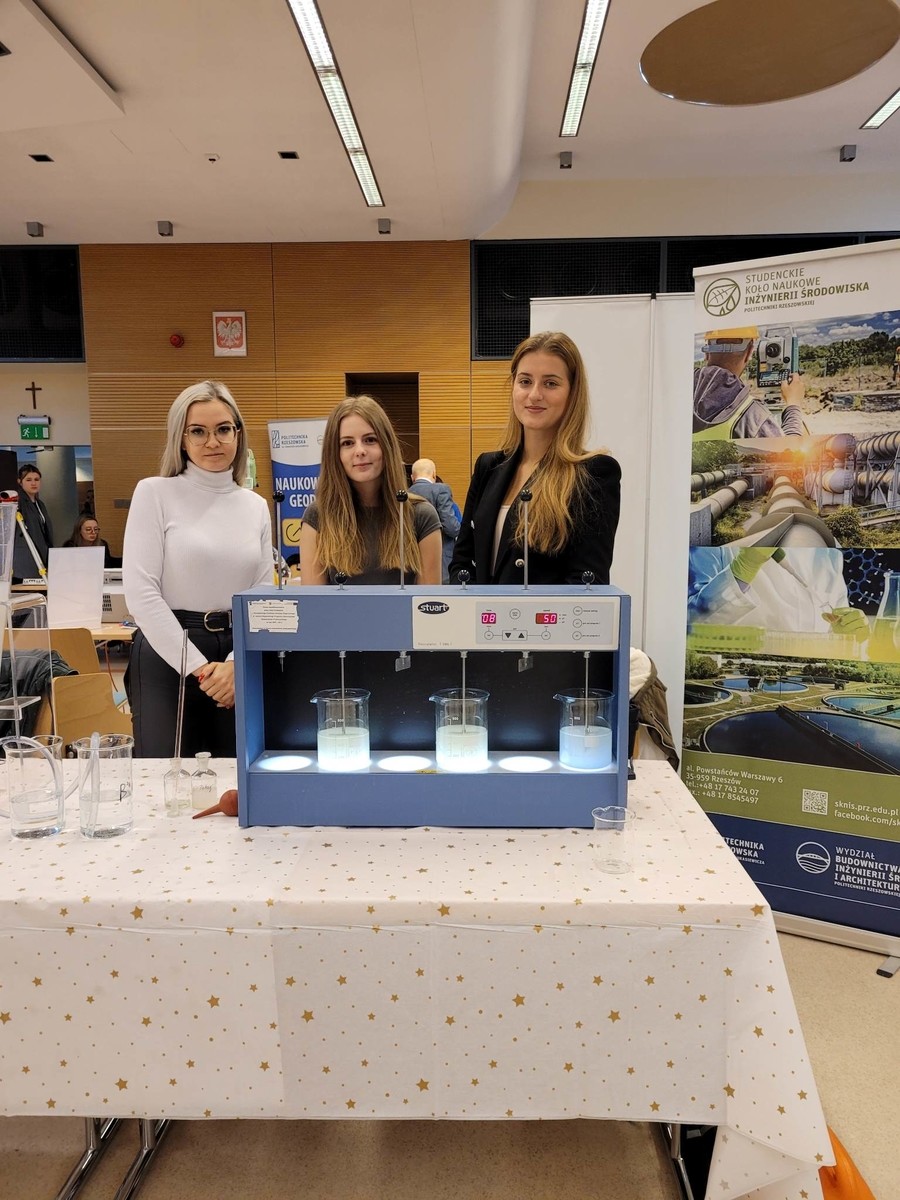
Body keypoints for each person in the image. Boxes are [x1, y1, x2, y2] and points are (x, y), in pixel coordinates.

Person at [123, 380, 272, 758]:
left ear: (238, 434)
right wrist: (200, 669)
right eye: (198, 431)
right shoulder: (154, 493)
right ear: (181, 438)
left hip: (237, 653)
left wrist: (236, 665)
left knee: (238, 774)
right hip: (168, 650)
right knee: (163, 776)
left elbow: (263, 595)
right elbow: (141, 594)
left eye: (223, 429)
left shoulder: (255, 506)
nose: (212, 442)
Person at [448, 331, 620, 585]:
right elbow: (462, 562)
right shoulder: (487, 467)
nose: (535, 394)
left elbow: (587, 582)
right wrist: (478, 608)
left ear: (572, 393)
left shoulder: (595, 473)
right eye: (525, 381)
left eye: (550, 383)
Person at [299, 396, 442, 586]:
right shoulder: (317, 516)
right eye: (347, 443)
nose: (360, 451)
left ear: (387, 446)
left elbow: (428, 603)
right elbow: (314, 602)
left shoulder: (422, 516)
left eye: (370, 440)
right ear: (335, 453)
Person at [688, 545, 868, 640]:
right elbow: (691, 626)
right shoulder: (712, 548)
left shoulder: (829, 555)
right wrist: (744, 569)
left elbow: (833, 629)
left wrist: (847, 634)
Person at [693, 329, 805, 439]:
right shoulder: (753, 416)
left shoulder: (683, 387)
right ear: (749, 352)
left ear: (706, 352)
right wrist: (793, 404)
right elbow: (790, 448)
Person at [408, 457, 460, 582]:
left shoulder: (405, 494)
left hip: (412, 562)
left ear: (412, 477)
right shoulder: (441, 490)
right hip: (441, 562)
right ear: (434, 475)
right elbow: (451, 528)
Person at [12, 463, 53, 582]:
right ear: (20, 482)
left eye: (36, 479)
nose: (33, 483)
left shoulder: (40, 504)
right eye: (28, 480)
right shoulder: (18, 502)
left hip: (42, 555)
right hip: (25, 559)